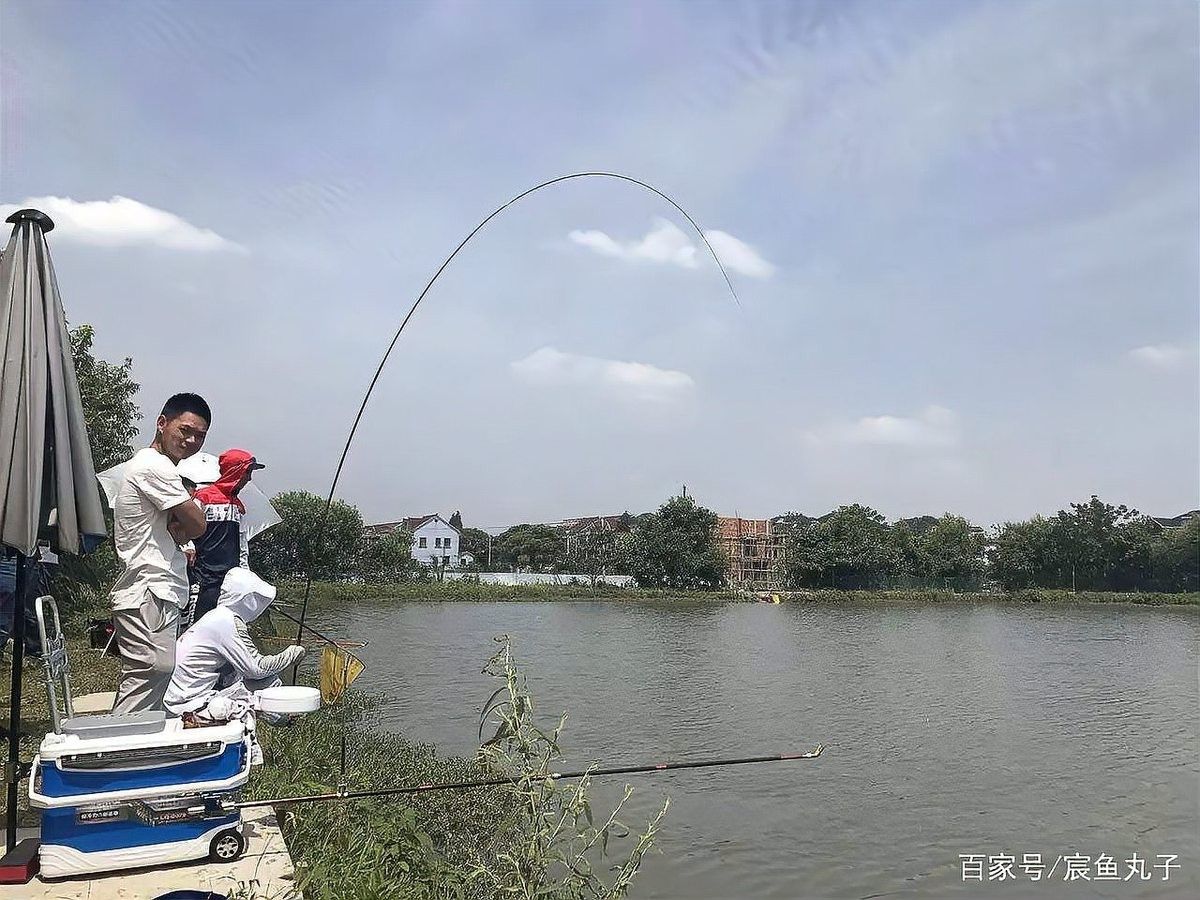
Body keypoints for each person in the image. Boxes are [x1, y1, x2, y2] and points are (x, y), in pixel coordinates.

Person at [110, 393, 211, 714]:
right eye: (185, 430)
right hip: (149, 589)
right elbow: (197, 526)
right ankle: (114, 751)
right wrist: (189, 514)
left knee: (153, 676)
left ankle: (132, 745)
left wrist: (181, 521)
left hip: (155, 590)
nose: (192, 440)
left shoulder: (155, 467)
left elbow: (182, 529)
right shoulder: (155, 466)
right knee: (153, 670)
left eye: (200, 436)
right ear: (162, 423)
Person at [164, 567, 305, 762]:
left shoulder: (216, 617)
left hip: (179, 695)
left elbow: (246, 674)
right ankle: (250, 761)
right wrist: (291, 654)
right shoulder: (226, 621)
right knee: (259, 685)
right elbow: (256, 668)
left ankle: (281, 719)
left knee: (257, 684)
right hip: (186, 702)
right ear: (245, 599)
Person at [189, 449, 265, 625]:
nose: (249, 478)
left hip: (230, 581)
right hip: (203, 578)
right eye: (248, 472)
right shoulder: (203, 498)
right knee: (198, 625)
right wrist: (188, 547)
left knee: (225, 626)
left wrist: (245, 575)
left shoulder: (238, 507)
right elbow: (185, 531)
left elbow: (242, 545)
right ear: (235, 471)